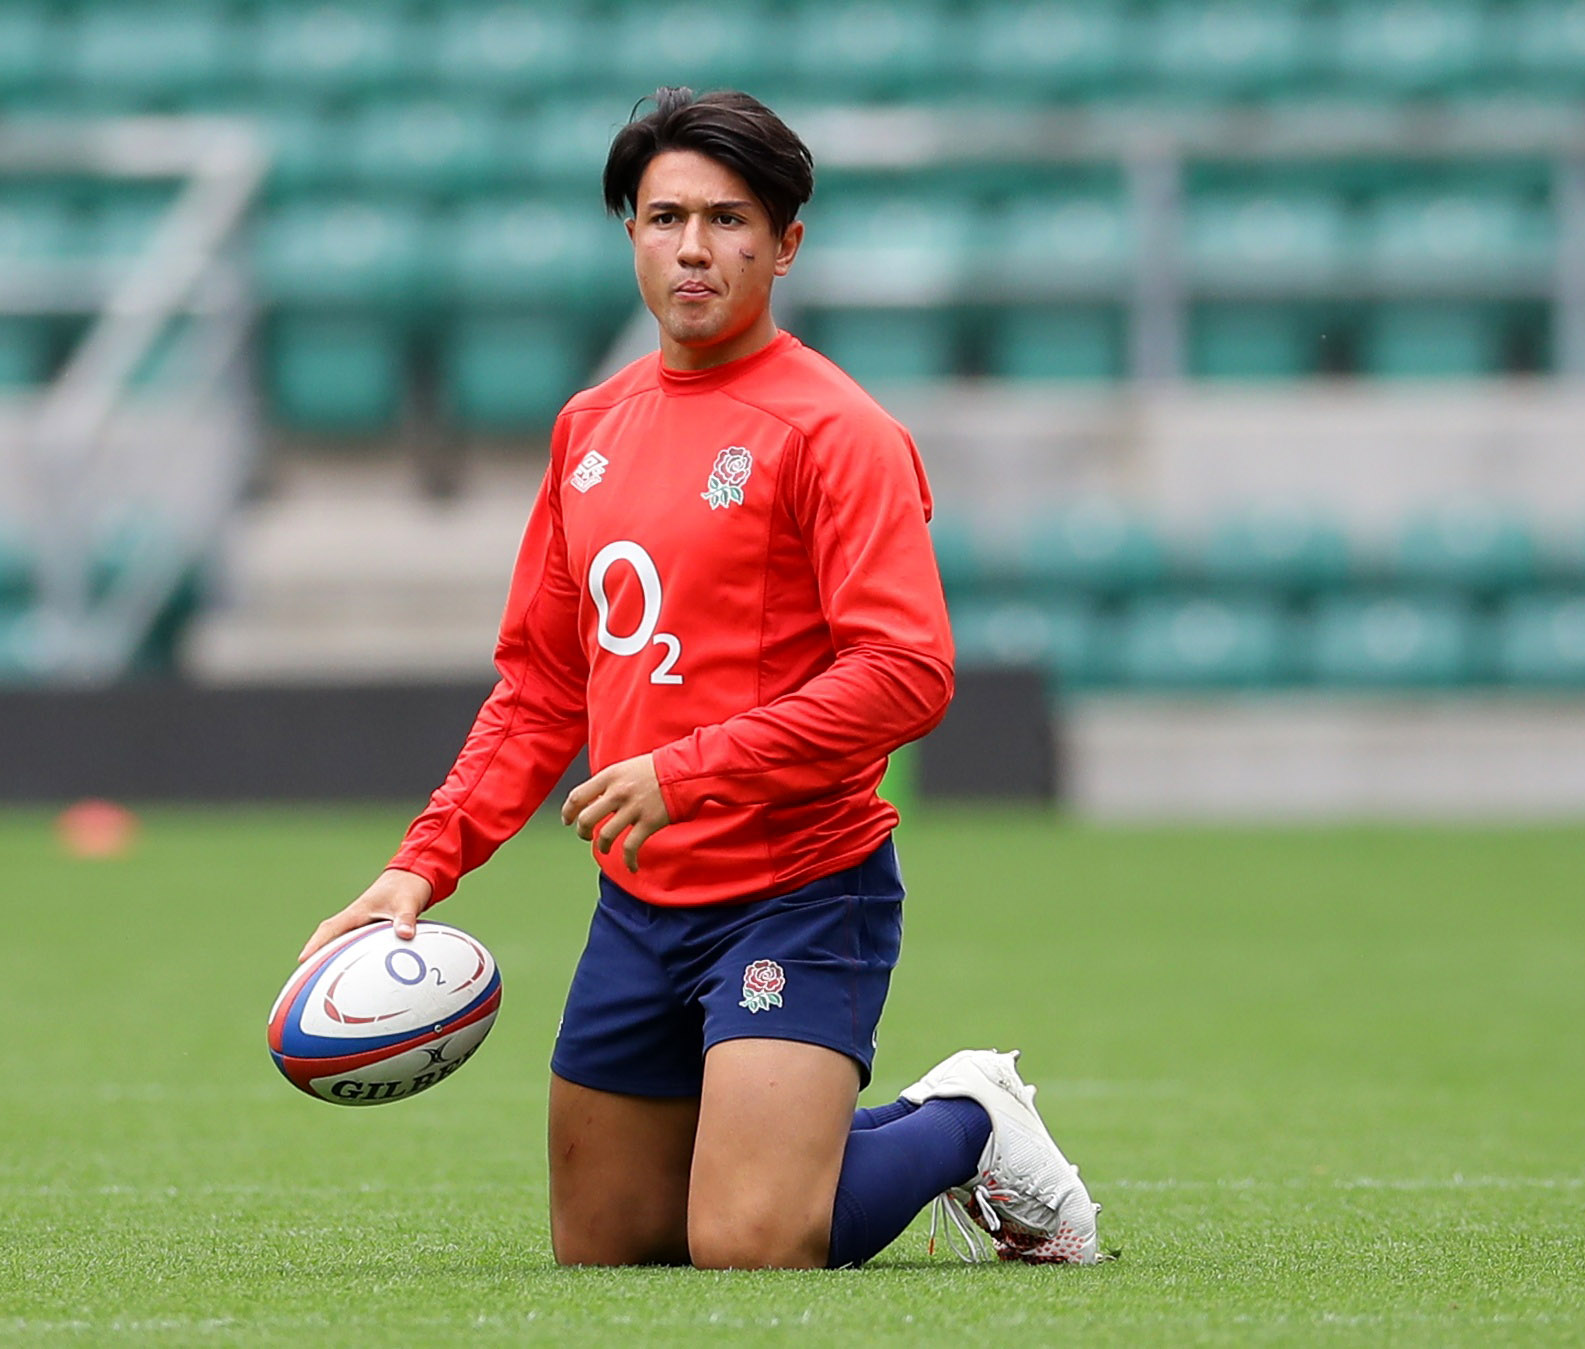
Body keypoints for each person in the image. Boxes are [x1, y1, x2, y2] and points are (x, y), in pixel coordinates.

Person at [301, 87, 1103, 1270]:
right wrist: (418, 869)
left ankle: (971, 1119)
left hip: (800, 886)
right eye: (664, 215)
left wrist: (690, 768)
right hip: (639, 903)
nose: (693, 247)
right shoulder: (590, 429)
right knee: (611, 1246)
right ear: (629, 232)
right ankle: (800, 1136)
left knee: (748, 1241)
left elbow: (910, 673)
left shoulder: (839, 431)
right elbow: (538, 686)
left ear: (786, 243)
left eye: (729, 220)